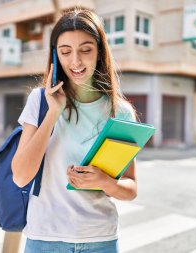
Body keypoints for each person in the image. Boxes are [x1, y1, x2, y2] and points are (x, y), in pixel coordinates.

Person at [11, 8, 137, 253]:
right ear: (55, 55)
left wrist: (104, 181)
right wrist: (53, 112)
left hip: (100, 240)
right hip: (45, 238)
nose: (75, 61)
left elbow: (131, 188)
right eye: (65, 52)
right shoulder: (40, 101)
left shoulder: (119, 112)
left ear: (100, 52)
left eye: (86, 50)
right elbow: (20, 176)